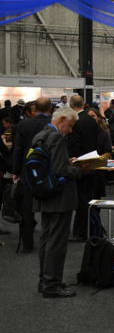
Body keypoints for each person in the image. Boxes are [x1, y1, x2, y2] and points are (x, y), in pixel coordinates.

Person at [34, 106, 94, 297]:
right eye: (69, 125)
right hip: (59, 197)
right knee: (57, 242)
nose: (69, 130)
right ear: (61, 119)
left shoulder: (41, 135)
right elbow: (60, 170)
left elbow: (51, 163)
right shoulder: (56, 137)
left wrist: (67, 160)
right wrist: (81, 169)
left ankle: (45, 280)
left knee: (46, 239)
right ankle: (52, 284)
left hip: (45, 194)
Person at [12, 97, 52, 253]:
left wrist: (16, 171)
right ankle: (50, 243)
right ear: (50, 108)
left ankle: (27, 244)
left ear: (35, 108)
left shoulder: (23, 125)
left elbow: (18, 150)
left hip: (27, 172)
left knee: (27, 210)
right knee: (50, 208)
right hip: (49, 172)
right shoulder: (53, 124)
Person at [68, 95, 99, 241]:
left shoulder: (76, 121)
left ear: (70, 105)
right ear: (83, 104)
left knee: (80, 200)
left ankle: (81, 231)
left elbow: (74, 145)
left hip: (80, 166)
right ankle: (89, 228)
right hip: (92, 163)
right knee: (88, 199)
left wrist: (72, 160)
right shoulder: (92, 120)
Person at [88, 107, 113, 198]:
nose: (91, 118)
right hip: (86, 168)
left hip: (98, 169)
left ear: (98, 117)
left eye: (93, 116)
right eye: (89, 117)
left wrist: (97, 160)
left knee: (96, 197)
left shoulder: (104, 133)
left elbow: (108, 152)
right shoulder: (85, 132)